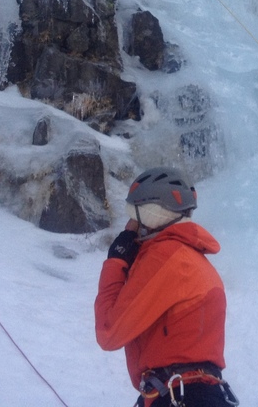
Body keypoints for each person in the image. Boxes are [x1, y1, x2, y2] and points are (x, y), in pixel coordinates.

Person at [94, 168, 237, 407]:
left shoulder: (165, 256)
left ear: (151, 216)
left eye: (135, 217)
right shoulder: (192, 257)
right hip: (200, 393)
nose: (130, 225)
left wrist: (116, 261)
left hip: (178, 395)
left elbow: (109, 332)